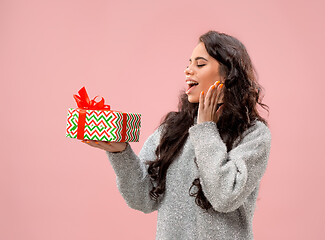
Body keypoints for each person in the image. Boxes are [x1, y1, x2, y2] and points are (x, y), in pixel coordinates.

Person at [83, 30, 272, 240]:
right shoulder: (172, 129)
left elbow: (223, 197)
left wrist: (206, 129)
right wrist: (121, 153)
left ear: (228, 74)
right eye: (189, 63)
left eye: (200, 64)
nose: (188, 70)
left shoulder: (254, 135)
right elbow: (143, 199)